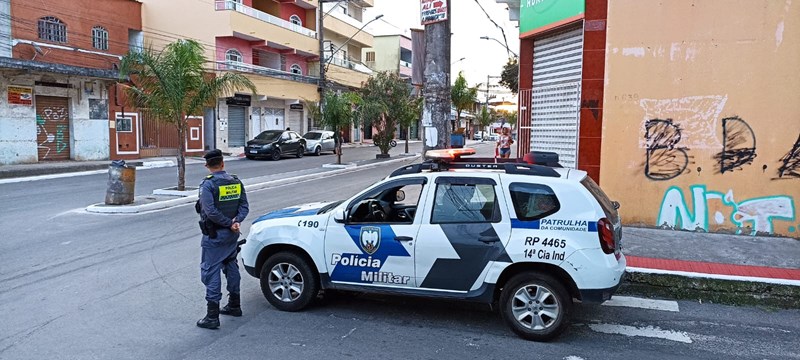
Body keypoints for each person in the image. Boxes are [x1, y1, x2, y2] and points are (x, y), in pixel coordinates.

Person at [196, 149, 249, 329]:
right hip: (232, 235)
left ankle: (212, 316)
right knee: (231, 265)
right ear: (223, 163)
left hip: (215, 235)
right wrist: (236, 222)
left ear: (207, 166)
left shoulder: (208, 185)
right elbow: (244, 206)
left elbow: (210, 212)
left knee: (210, 271)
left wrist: (228, 223)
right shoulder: (236, 181)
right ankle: (235, 305)